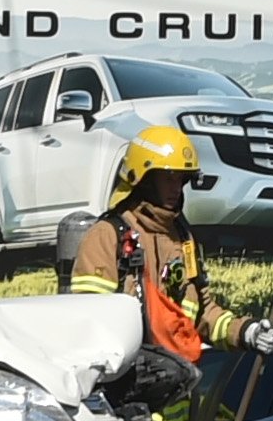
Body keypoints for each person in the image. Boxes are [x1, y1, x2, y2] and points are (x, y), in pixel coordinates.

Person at [69, 127, 214, 365]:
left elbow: (202, 313)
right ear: (144, 180)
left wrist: (245, 332)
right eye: (168, 178)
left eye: (180, 179)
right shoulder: (107, 235)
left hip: (177, 378)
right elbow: (90, 320)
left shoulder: (183, 240)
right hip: (124, 382)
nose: (176, 188)